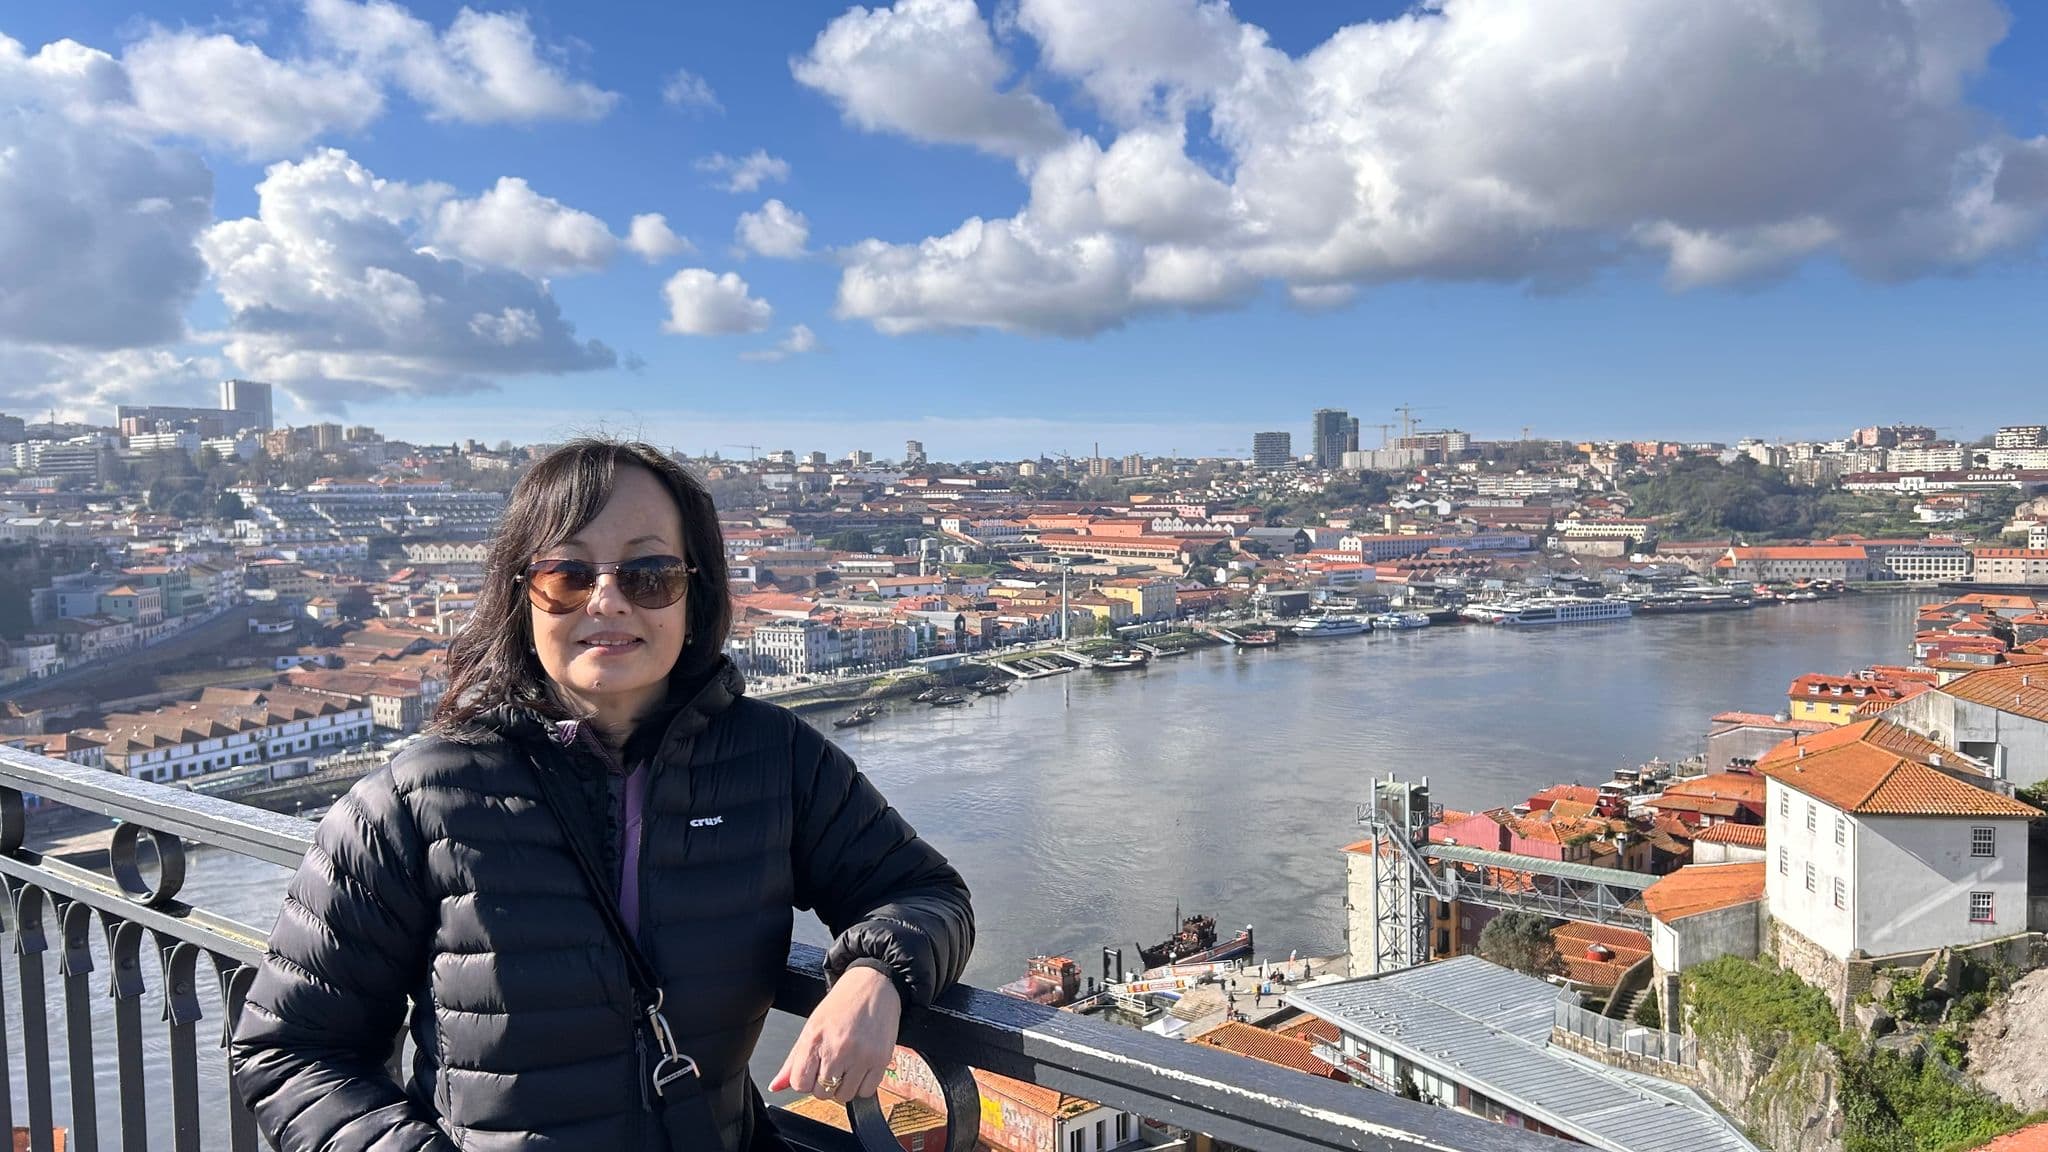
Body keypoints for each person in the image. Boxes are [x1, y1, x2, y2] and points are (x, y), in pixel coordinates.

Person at [230, 438, 974, 1152]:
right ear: (523, 595)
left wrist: (877, 975)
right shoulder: (419, 797)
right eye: (569, 576)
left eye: (650, 575)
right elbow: (292, 1048)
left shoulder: (773, 758)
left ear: (694, 592)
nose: (609, 602)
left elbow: (925, 891)